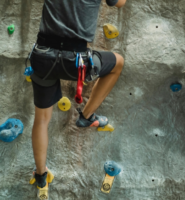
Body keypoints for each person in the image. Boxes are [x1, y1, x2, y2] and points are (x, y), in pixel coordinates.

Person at [29, 0, 127, 196]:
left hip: (43, 56)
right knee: (118, 63)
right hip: (75, 62)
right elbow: (120, 3)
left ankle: (41, 176)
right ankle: (87, 116)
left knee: (41, 120)